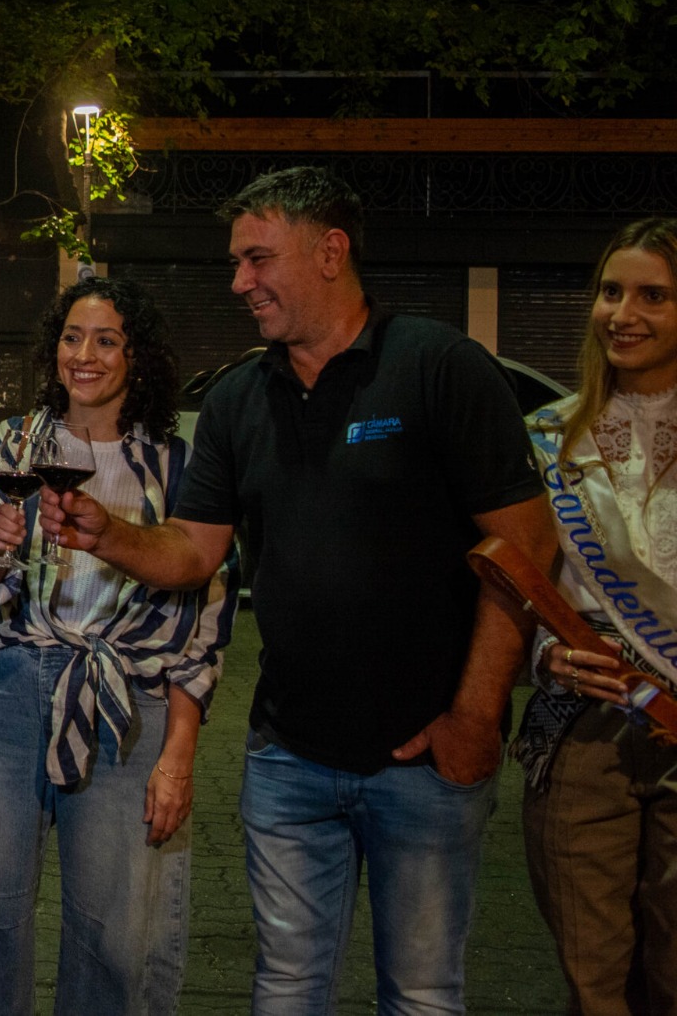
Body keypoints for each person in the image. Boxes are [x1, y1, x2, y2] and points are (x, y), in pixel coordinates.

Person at [40, 167, 556, 1013]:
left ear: (330, 250)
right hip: (287, 758)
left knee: (423, 995)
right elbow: (194, 551)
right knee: (284, 990)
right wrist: (111, 534)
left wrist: (473, 717)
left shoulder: (437, 366)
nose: (239, 282)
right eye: (236, 262)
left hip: (424, 762)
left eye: (257, 258)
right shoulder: (240, 397)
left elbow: (526, 548)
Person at [0, 277, 234, 1014]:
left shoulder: (176, 464)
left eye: (106, 340)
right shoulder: (14, 443)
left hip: (124, 699)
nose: (85, 355)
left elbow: (205, 615)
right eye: (72, 337)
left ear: (138, 356)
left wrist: (180, 753)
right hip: (9, 686)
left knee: (113, 933)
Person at [515, 217, 677, 1015]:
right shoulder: (548, 437)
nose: (624, 313)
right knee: (593, 978)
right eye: (612, 291)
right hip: (582, 726)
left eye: (653, 295)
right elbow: (520, 586)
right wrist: (545, 653)